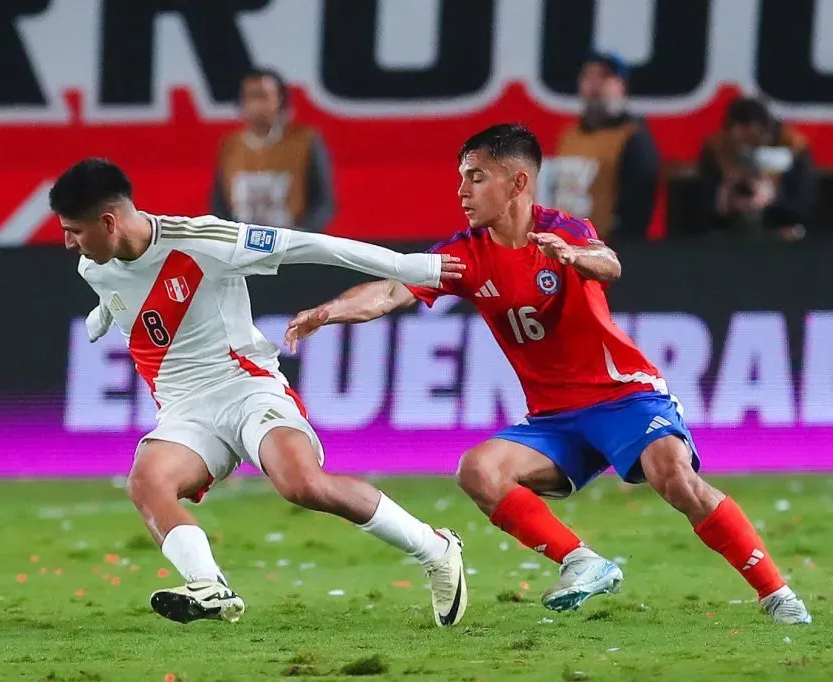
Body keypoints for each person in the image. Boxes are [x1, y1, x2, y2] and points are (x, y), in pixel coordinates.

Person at [284, 124, 811, 625]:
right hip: (554, 422)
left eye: (476, 176)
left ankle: (776, 593)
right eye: (461, 178)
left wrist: (576, 256)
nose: (462, 191)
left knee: (674, 478)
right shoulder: (464, 255)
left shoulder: (563, 230)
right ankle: (581, 562)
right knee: (478, 470)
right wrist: (330, 311)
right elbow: (391, 289)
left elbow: (610, 264)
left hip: (626, 398)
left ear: (518, 182)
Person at [49, 158, 468, 627]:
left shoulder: (204, 240)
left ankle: (437, 548)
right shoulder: (95, 266)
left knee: (301, 484)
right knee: (147, 483)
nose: (69, 243)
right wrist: (102, 316)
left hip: (246, 386)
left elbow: (311, 245)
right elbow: (115, 291)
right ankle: (210, 587)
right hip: (185, 412)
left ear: (108, 222)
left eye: (74, 230)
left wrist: (408, 266)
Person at [548, 52, 659, 241]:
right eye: (588, 76)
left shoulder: (633, 139)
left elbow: (637, 208)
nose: (595, 84)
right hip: (563, 248)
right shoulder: (569, 137)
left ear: (621, 85)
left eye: (604, 77)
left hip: (604, 249)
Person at [210, 67, 335, 233]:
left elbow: (322, 201)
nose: (257, 105)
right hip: (242, 245)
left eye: (263, 96)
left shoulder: (304, 141)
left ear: (280, 100)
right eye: (250, 97)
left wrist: (303, 235)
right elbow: (220, 202)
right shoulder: (231, 146)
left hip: (291, 241)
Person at [696, 96, 815, 241]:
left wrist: (771, 201)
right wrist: (723, 202)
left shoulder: (793, 147)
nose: (747, 149)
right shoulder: (715, 148)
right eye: (739, 143)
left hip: (781, 225)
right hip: (728, 229)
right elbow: (702, 204)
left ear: (768, 133)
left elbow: (803, 203)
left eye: (754, 142)